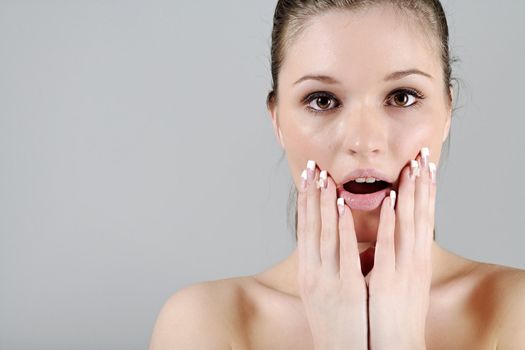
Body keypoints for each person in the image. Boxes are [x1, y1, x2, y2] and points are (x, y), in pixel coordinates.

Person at [148, 1, 525, 349]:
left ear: (447, 111)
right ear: (277, 120)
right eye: (323, 100)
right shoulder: (204, 323)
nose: (363, 142)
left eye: (402, 96)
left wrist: (398, 338)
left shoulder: (514, 310)